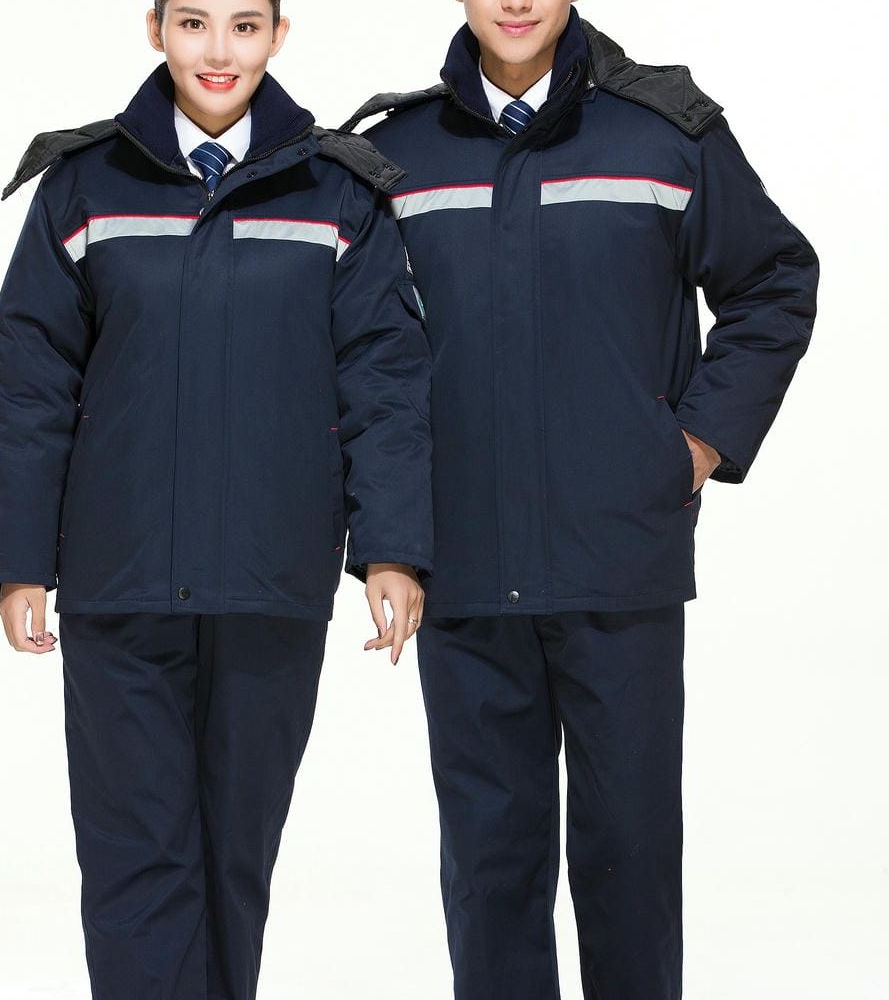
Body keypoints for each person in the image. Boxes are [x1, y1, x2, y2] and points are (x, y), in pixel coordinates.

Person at [343, 1, 818, 997]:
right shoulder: (395, 155)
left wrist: (695, 443)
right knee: (490, 871)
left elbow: (774, 278)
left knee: (629, 864)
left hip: (619, 560)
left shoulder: (663, 133)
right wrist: (386, 538)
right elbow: (362, 357)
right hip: (464, 569)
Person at [0, 1, 432, 996]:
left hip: (272, 580)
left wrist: (391, 548)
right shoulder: (85, 186)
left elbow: (384, 377)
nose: (218, 51)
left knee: (233, 856)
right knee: (137, 859)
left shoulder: (338, 192)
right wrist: (16, 559)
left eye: (244, 26)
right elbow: (29, 378)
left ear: (279, 36)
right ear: (155, 30)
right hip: (120, 580)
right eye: (193, 23)